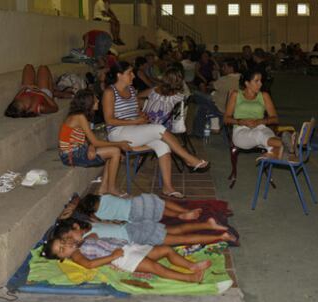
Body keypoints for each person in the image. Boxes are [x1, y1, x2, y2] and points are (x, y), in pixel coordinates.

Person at [102, 61, 210, 199]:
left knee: (163, 144)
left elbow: (135, 112)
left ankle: (168, 187)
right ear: (119, 75)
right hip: (117, 133)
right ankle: (189, 159)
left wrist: (141, 116)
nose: (133, 76)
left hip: (133, 130)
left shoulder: (131, 90)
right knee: (159, 129)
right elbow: (109, 120)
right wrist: (136, 121)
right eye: (130, 73)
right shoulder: (110, 92)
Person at [41, 225, 212, 283]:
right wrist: (112, 257)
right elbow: (90, 264)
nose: (67, 245)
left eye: (63, 242)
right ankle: (189, 278)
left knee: (166, 250)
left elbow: (95, 236)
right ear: (62, 258)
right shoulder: (76, 255)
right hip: (123, 258)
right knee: (155, 267)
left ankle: (191, 266)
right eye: (62, 250)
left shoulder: (81, 242)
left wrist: (87, 237)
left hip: (129, 247)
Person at [58, 90, 131, 196]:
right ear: (88, 103)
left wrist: (91, 146)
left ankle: (103, 188)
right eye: (95, 100)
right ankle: (111, 188)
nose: (97, 101)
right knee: (115, 151)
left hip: (76, 151)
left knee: (112, 151)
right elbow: (95, 141)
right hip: (70, 155)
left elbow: (89, 139)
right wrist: (119, 144)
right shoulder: (80, 117)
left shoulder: (79, 116)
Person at [47, 217, 235, 248]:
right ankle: (209, 224)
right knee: (177, 230)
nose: (72, 242)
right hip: (135, 227)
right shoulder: (91, 225)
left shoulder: (89, 236)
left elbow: (91, 242)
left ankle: (220, 236)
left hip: (138, 234)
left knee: (180, 239)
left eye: (71, 238)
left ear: (76, 228)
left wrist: (76, 245)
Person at [224, 70, 283, 159]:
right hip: (241, 131)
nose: (260, 84)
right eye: (257, 81)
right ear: (247, 83)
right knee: (259, 134)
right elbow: (226, 119)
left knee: (266, 133)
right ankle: (285, 145)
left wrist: (260, 121)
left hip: (260, 127)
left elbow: (275, 119)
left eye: (261, 81)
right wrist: (241, 121)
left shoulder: (264, 95)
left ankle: (273, 151)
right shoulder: (236, 95)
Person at [60, 192, 202, 223]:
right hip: (135, 204)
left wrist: (73, 210)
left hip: (133, 217)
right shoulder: (106, 197)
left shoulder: (99, 215)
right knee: (160, 203)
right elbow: (123, 198)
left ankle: (181, 215)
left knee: (158, 210)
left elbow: (101, 222)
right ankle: (182, 212)